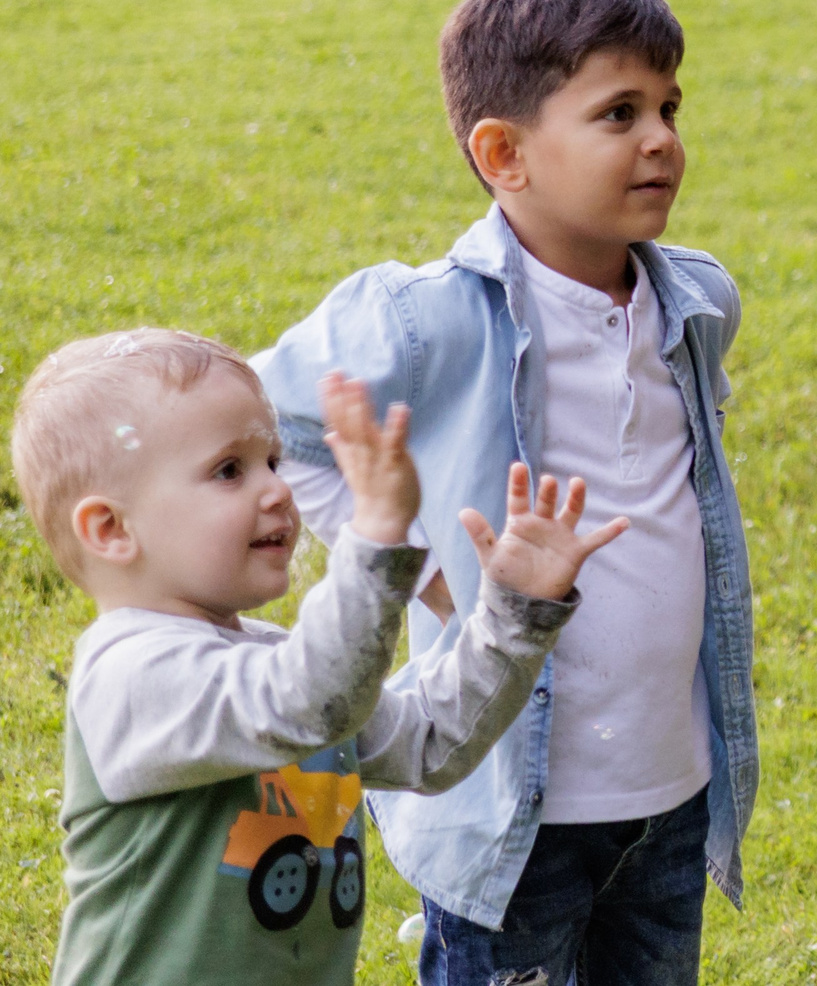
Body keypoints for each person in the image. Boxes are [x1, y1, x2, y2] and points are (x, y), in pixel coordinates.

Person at [256, 0, 755, 986]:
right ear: (503, 154)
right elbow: (271, 419)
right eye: (619, 112)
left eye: (669, 107)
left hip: (670, 785)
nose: (661, 138)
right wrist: (415, 566)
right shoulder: (423, 317)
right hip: (507, 807)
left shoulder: (699, 302)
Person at [10, 332, 617, 986]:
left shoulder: (272, 658)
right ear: (112, 530)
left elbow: (432, 744)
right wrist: (375, 544)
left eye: (273, 461)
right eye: (229, 470)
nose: (277, 490)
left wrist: (513, 614)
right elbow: (306, 701)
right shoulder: (130, 675)